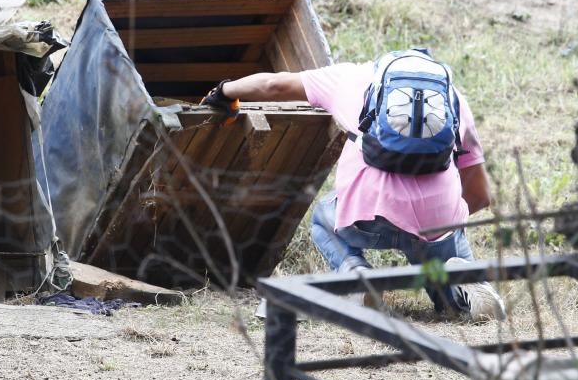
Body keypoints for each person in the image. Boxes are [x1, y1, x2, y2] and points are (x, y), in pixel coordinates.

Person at [201, 49, 506, 322]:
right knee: (449, 296)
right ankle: (459, 284)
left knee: (322, 215)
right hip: (436, 221)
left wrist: (225, 91)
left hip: (367, 216)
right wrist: (439, 225)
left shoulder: (351, 78)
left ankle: (356, 277)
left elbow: (273, 85)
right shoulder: (455, 100)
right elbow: (480, 195)